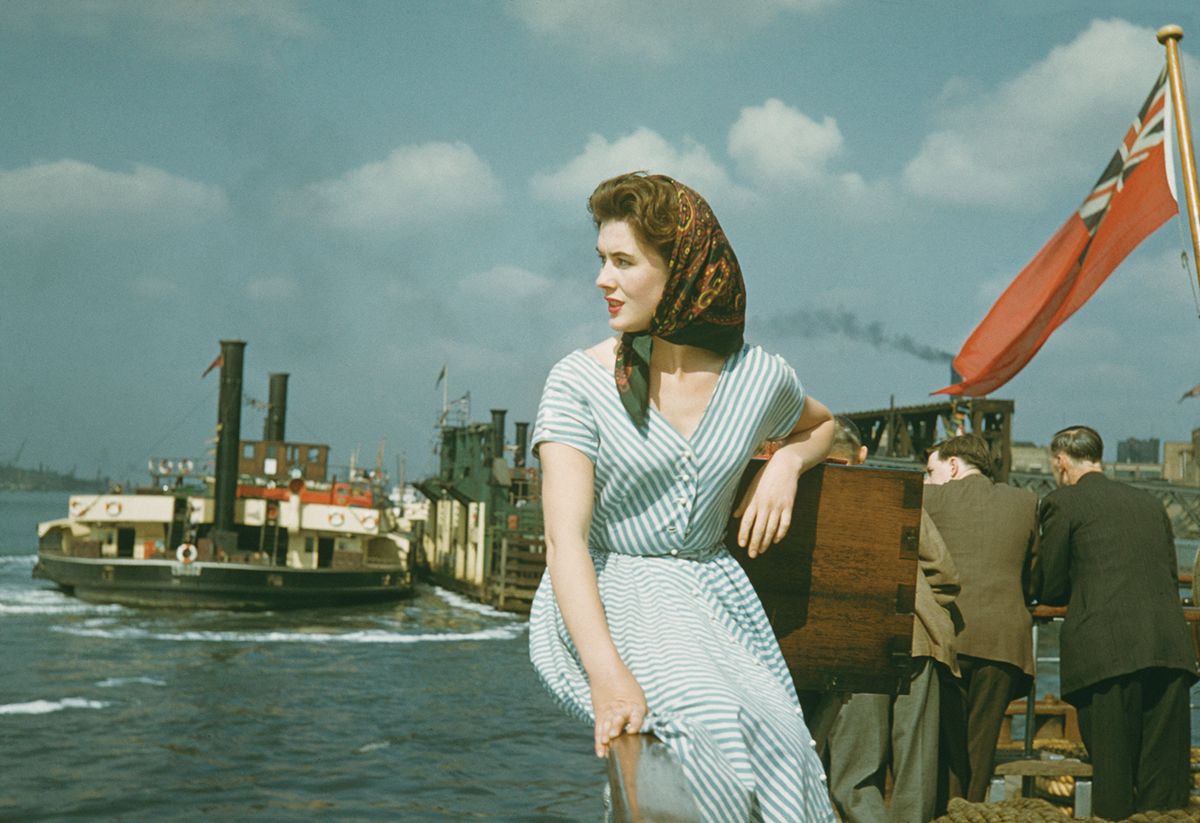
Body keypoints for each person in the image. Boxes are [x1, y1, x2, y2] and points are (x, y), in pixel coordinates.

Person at [527, 171, 837, 821]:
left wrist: (788, 463)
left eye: (623, 262)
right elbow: (564, 540)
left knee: (782, 739)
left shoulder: (760, 378)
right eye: (601, 259)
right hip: (617, 596)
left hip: (717, 602)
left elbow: (824, 424)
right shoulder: (578, 384)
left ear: (684, 271)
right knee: (703, 721)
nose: (602, 279)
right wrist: (607, 672)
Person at [1039, 425, 1198, 819]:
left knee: (1114, 780)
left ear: (1060, 461)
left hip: (1107, 655)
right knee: (1164, 785)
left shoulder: (1064, 503)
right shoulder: (1149, 503)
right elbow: (1163, 568)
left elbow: (1052, 584)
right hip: (1168, 649)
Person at [827, 417, 962, 823]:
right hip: (916, 637)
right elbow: (944, 572)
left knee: (855, 769)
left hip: (851, 641)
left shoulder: (806, 494)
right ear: (863, 455)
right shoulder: (895, 491)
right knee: (915, 763)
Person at [921, 433, 1038, 803]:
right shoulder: (1025, 501)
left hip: (948, 636)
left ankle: (944, 811)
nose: (927, 479)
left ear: (953, 465)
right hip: (1004, 639)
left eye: (930, 470)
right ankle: (972, 811)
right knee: (980, 746)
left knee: (942, 743)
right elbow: (1034, 573)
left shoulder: (930, 497)